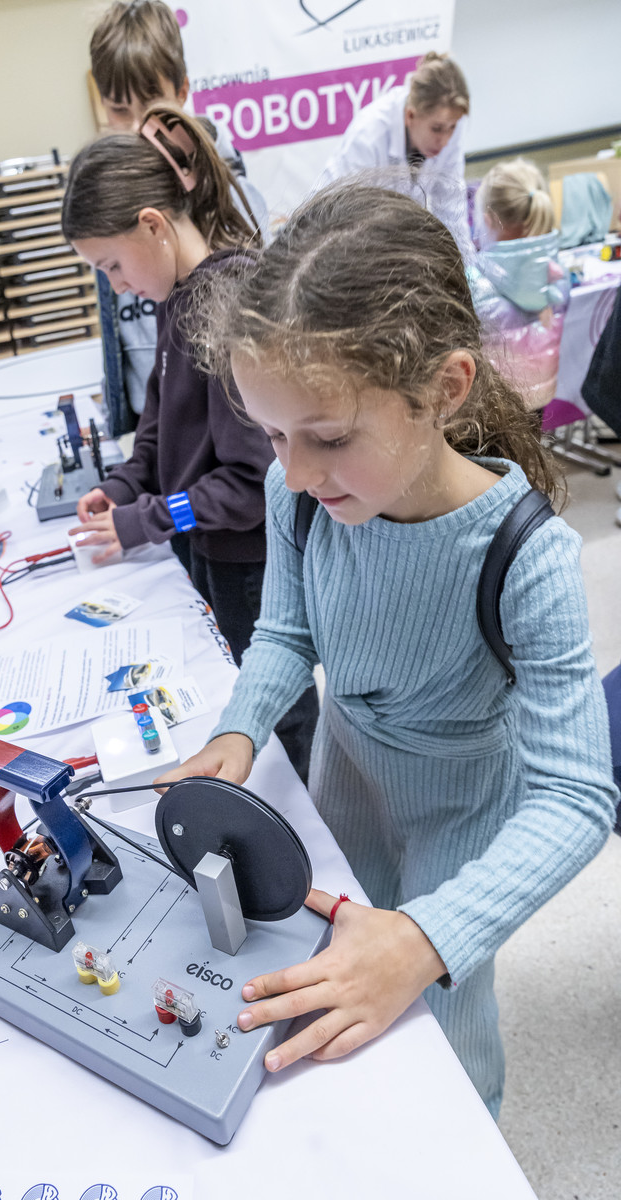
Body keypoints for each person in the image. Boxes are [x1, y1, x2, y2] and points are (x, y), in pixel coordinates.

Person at [155, 181, 618, 1118]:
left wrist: (425, 939)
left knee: (441, 1015)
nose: (293, 471)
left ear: (444, 388)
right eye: (273, 434)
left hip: (462, 814)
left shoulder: (527, 556)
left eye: (327, 437)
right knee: (330, 975)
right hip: (347, 783)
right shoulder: (299, 495)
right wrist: (240, 729)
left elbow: (576, 797)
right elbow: (287, 630)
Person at [62, 103, 318, 782]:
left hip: (248, 564)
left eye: (113, 265)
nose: (116, 285)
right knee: (228, 707)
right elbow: (156, 431)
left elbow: (252, 482)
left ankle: (312, 823)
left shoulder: (228, 302)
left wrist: (145, 518)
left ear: (153, 225)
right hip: (204, 549)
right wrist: (122, 487)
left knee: (279, 719)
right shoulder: (177, 299)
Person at [89, 0, 268, 436]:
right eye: (119, 110)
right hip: (152, 420)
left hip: (224, 429)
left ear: (183, 90)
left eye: (152, 102)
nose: (137, 127)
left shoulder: (232, 194)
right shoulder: (113, 195)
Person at [318, 52, 471, 255]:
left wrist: (466, 264)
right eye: (436, 129)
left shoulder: (449, 124)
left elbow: (451, 208)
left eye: (452, 128)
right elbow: (352, 222)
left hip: (391, 236)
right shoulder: (368, 136)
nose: (444, 140)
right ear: (410, 115)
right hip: (332, 234)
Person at [470, 158, 570, 411]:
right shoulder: (559, 274)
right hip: (539, 397)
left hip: (492, 410)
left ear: (488, 220)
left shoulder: (473, 280)